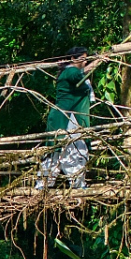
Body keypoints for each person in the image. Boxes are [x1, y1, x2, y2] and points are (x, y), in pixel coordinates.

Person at [36, 47, 101, 191]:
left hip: (72, 118)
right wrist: (97, 62)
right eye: (83, 59)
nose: (85, 62)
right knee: (64, 150)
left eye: (86, 59)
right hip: (66, 118)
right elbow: (80, 74)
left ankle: (76, 183)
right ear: (73, 59)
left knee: (73, 150)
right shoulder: (70, 71)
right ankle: (46, 184)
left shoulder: (71, 72)